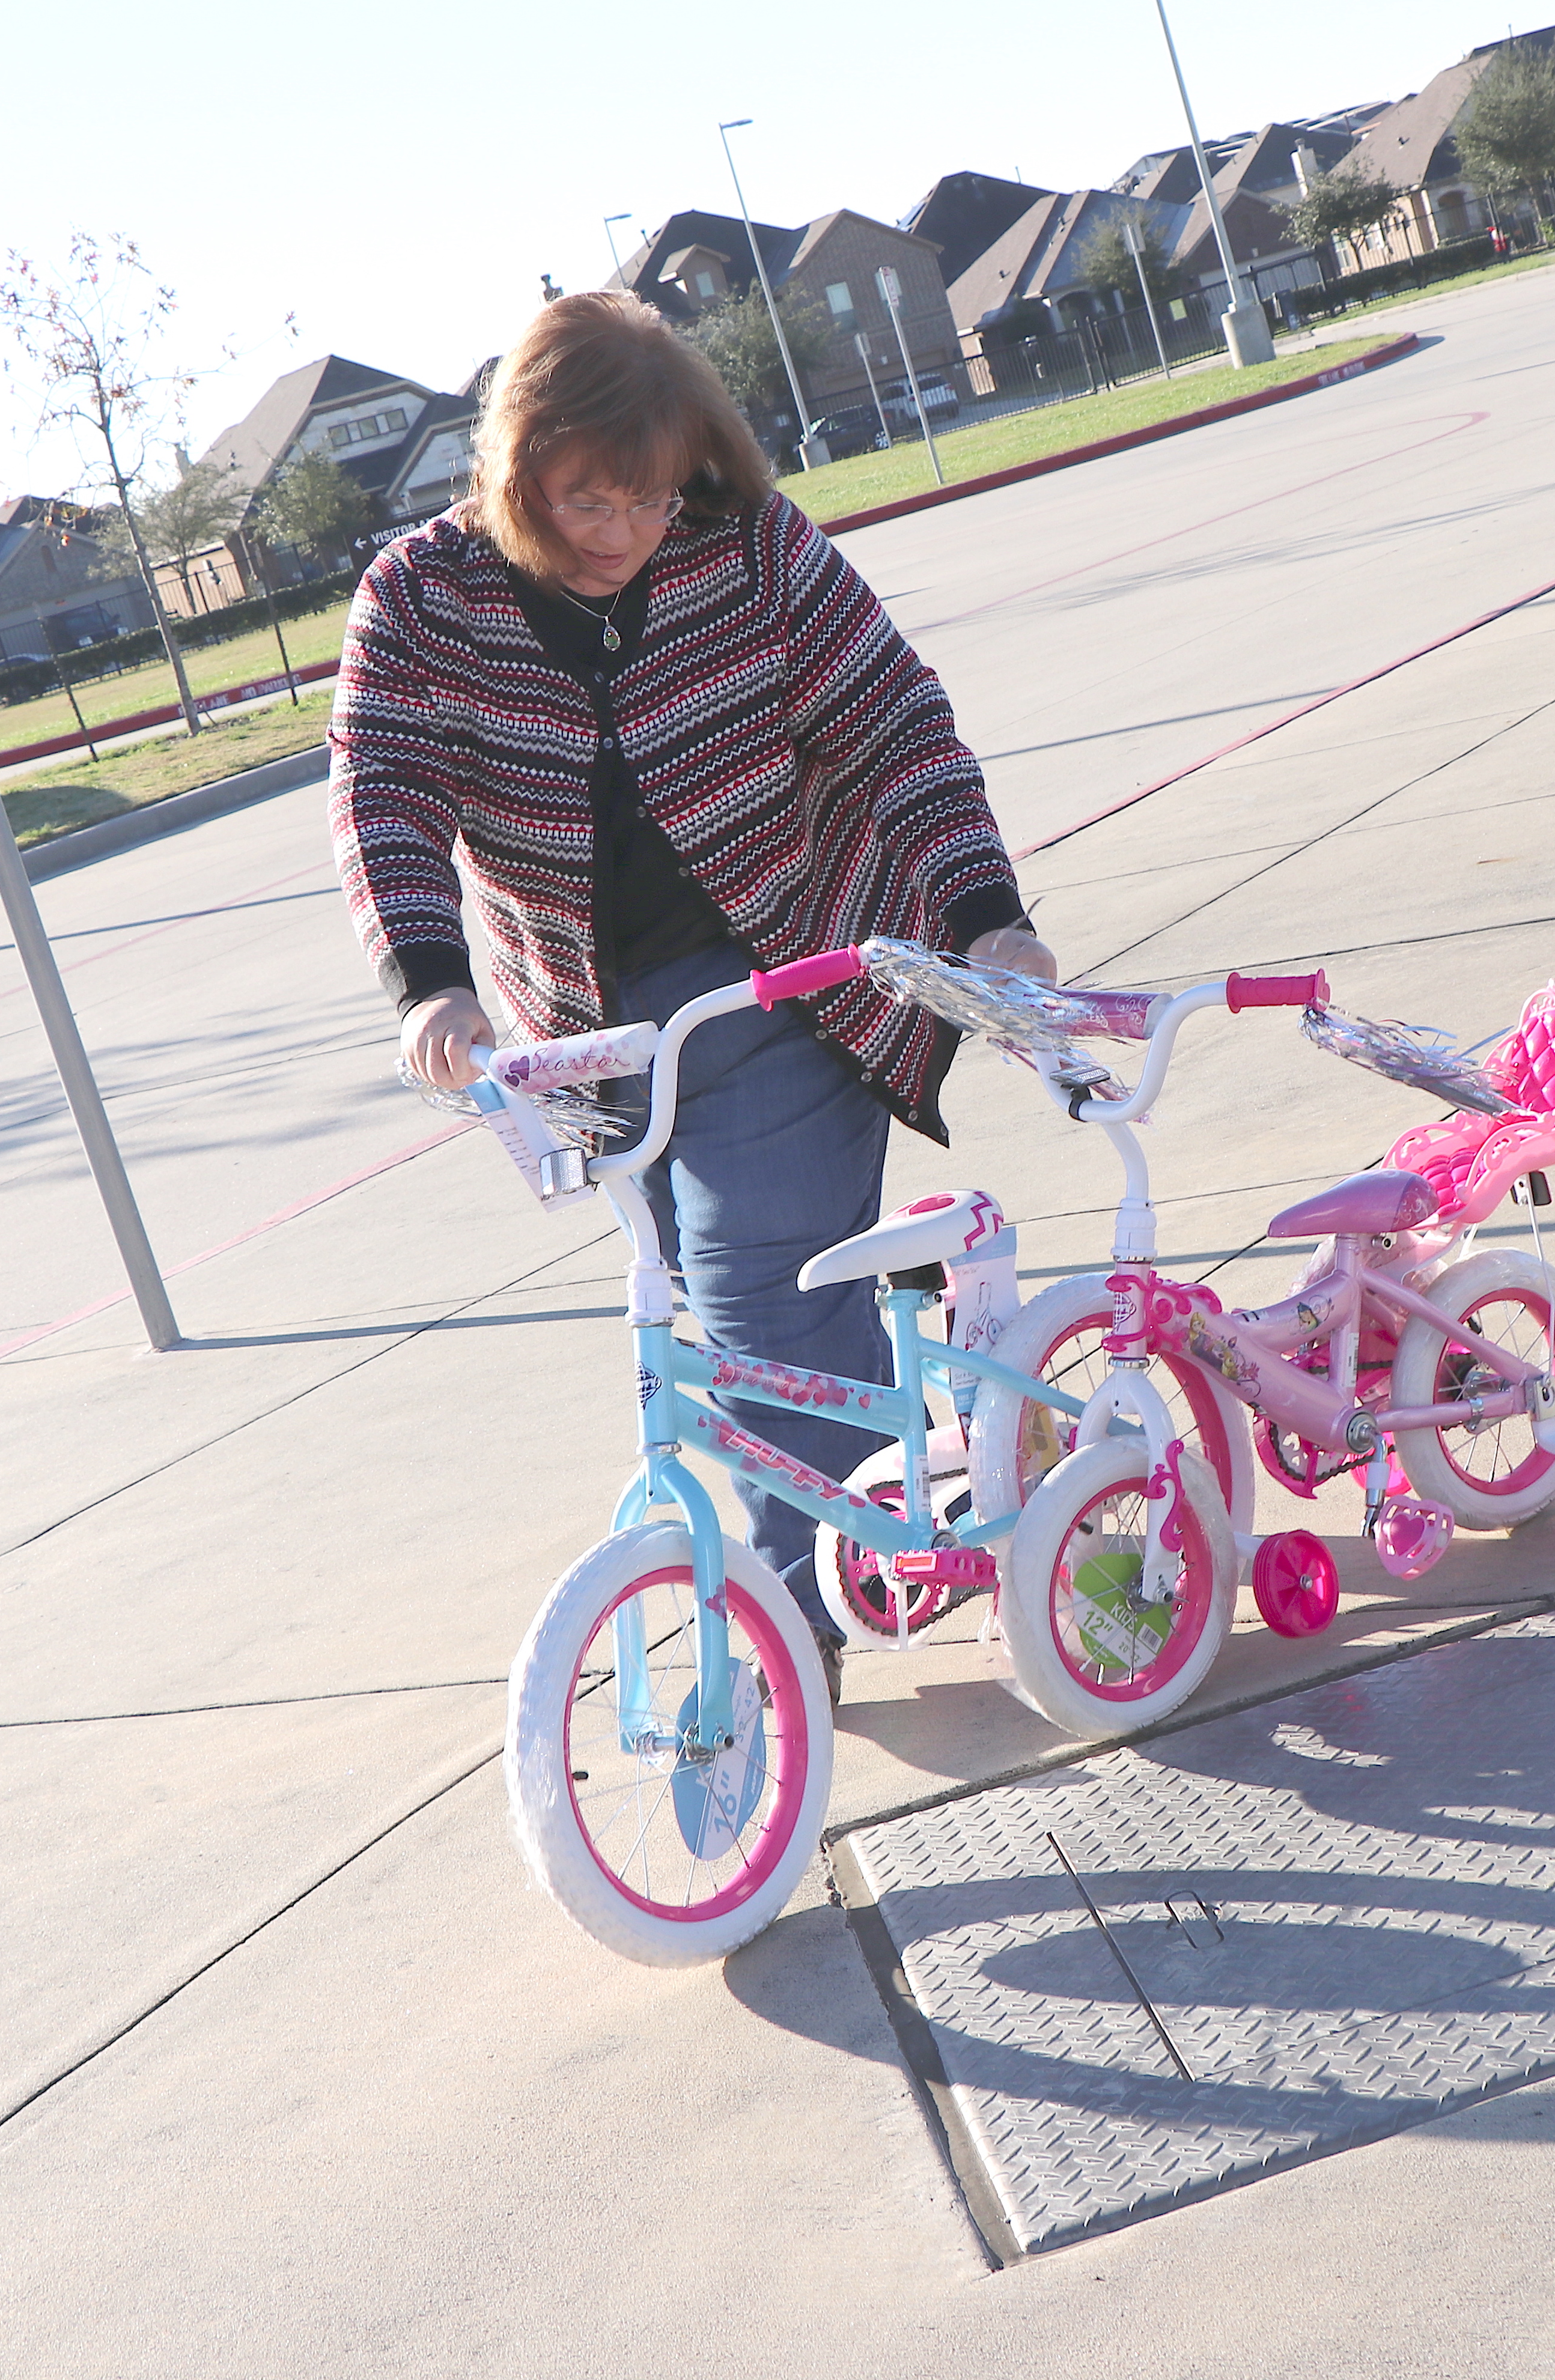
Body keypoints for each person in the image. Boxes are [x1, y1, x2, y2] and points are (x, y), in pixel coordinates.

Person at [328, 291, 1053, 1702]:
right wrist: (429, 986)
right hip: (592, 1039)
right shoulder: (423, 600)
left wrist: (989, 921)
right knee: (718, 1329)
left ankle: (811, 1635)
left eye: (654, 497)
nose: (626, 530)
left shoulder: (755, 550)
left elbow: (897, 723)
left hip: (796, 970)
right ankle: (936, 1407)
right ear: (514, 467)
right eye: (590, 496)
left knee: (755, 1300)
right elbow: (385, 793)